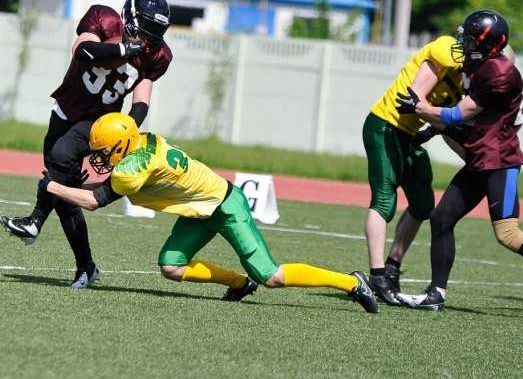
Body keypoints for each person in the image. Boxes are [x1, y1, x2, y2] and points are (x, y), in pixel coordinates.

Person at [38, 113, 379, 313]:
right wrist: (76, 184)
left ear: (122, 145)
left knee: (272, 276)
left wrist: (53, 186)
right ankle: (238, 283)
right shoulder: (145, 141)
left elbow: (94, 201)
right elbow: (111, 183)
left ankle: (351, 282)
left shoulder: (131, 168)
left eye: (103, 151)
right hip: (200, 208)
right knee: (171, 266)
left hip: (225, 205)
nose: (98, 157)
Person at [394, 9, 523, 323]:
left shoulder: (499, 73)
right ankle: (436, 293)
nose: (463, 43)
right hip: (480, 156)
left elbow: (458, 114)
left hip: (500, 161)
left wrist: (421, 108)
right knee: (441, 218)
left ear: (488, 43)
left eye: (469, 39)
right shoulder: (479, 65)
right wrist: (432, 125)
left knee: (508, 234)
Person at [0, 0, 173, 288]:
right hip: (67, 109)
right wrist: (123, 50)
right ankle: (86, 267)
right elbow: (82, 50)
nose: (151, 36)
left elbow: (142, 100)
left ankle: (35, 221)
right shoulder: (104, 19)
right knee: (65, 190)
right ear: (132, 18)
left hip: (100, 123)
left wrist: (125, 133)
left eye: (158, 29)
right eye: (148, 26)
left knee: (61, 156)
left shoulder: (157, 55)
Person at [362, 35, 463, 305]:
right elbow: (412, 98)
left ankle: (392, 267)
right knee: (384, 200)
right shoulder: (447, 48)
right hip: (385, 124)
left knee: (423, 204)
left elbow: (447, 122)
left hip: (408, 135)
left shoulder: (469, 80)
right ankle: (377, 277)